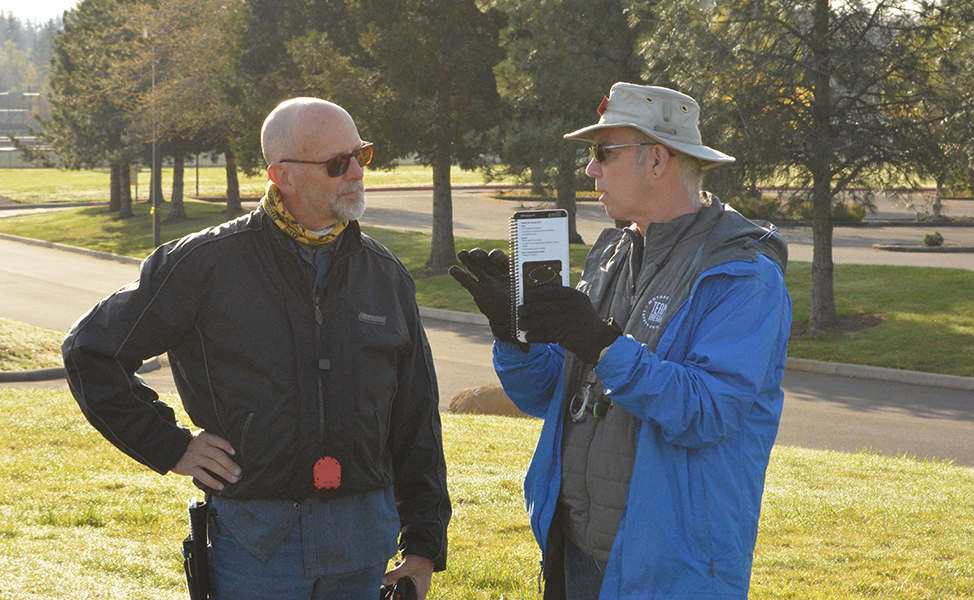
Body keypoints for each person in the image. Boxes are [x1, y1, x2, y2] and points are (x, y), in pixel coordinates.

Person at [62, 98, 450, 599]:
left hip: (363, 543)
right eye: (337, 163)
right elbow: (90, 351)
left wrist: (423, 547)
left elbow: (417, 417)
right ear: (283, 176)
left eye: (362, 154)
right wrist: (170, 445)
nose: (356, 172)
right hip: (256, 544)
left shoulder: (387, 275)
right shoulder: (204, 264)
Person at [450, 83, 791, 599]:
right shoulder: (612, 253)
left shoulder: (743, 276)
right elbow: (549, 396)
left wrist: (602, 345)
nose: (590, 170)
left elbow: (708, 412)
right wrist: (514, 335)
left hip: (672, 573)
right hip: (575, 555)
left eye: (602, 154)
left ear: (657, 159)